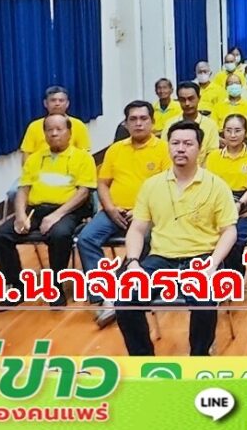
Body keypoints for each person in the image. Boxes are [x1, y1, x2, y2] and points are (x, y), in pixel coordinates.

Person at [115, 120, 238, 356]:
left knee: (204, 304)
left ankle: (198, 357)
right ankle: (143, 359)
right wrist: (132, 262)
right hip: (160, 258)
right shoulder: (152, 185)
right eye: (175, 143)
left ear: (199, 148)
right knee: (125, 300)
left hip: (201, 258)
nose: (181, 149)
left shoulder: (217, 186)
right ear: (168, 146)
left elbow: (229, 231)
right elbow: (137, 229)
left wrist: (213, 263)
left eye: (188, 144)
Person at [78, 101, 170, 327]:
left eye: (143, 119)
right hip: (115, 211)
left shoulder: (164, 149)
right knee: (86, 238)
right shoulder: (115, 149)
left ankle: (118, 291)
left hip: (148, 214)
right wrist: (109, 207)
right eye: (133, 119)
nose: (138, 123)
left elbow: (168, 186)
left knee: (146, 240)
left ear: (152, 122)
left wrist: (142, 211)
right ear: (126, 124)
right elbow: (102, 183)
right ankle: (103, 294)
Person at [0, 114, 96, 309]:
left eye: (59, 129)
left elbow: (83, 193)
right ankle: (17, 286)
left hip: (69, 210)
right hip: (37, 209)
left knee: (59, 234)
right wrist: (20, 215)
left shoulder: (83, 158)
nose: (54, 134)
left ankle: (55, 286)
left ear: (69, 133)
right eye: (49, 130)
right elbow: (23, 189)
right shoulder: (35, 159)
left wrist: (56, 216)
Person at [206, 114, 247, 276]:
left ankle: (234, 276)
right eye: (228, 130)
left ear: (245, 132)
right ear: (223, 132)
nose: (232, 135)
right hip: (218, 207)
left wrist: (239, 205)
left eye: (237, 130)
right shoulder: (214, 156)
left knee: (235, 240)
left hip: (244, 209)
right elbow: (210, 185)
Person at [19, 86, 90, 163]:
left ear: (67, 104)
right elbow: (26, 155)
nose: (57, 104)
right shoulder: (34, 126)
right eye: (53, 100)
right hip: (41, 168)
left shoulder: (79, 125)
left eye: (61, 100)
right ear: (45, 103)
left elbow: (84, 155)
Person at [162, 82, 218, 163]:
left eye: (191, 99)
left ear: (199, 98)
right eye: (183, 100)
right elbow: (165, 153)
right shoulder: (170, 124)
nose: (187, 103)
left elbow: (212, 156)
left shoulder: (210, 125)